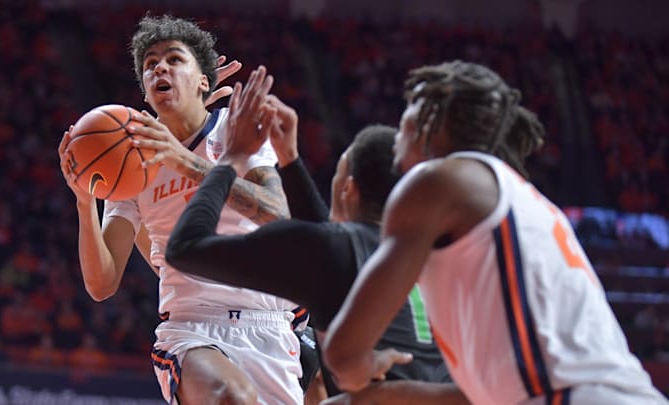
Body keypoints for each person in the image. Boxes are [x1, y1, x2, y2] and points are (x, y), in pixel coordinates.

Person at [323, 60, 668, 404]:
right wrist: (386, 396)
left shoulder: (435, 182)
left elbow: (344, 356)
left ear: (428, 118)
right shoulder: (527, 202)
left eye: (403, 121)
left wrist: (369, 366)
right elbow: (481, 398)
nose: (397, 137)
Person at [158, 80, 460, 403]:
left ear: (348, 190)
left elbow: (184, 248)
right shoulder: (435, 256)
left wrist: (231, 159)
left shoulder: (338, 250)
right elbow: (321, 237)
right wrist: (289, 158)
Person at [58, 15, 305, 405]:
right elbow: (102, 284)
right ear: (145, 91)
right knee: (230, 397)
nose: (160, 66)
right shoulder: (132, 161)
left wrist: (183, 159)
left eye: (174, 58)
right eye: (150, 64)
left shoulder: (233, 129)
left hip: (269, 321)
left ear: (204, 80)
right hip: (192, 327)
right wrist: (85, 201)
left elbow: (279, 215)